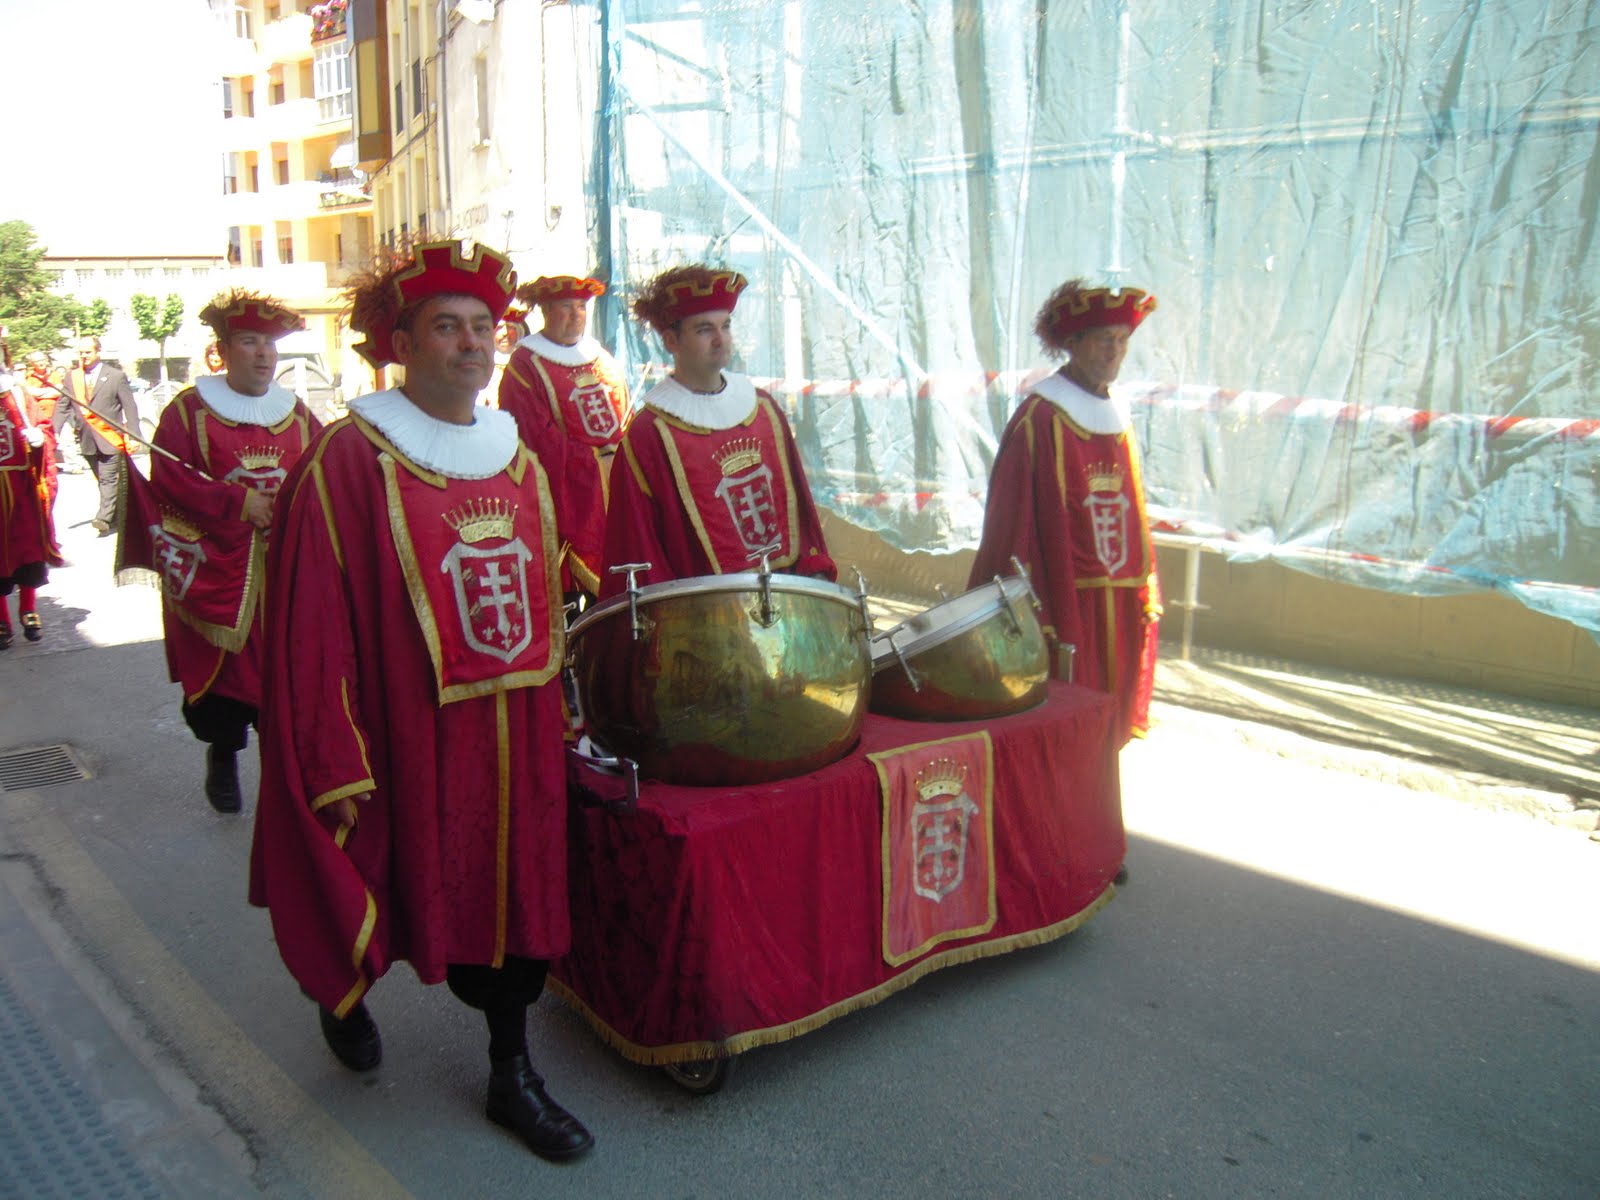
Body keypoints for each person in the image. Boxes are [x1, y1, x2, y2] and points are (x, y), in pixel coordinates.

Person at [247, 239, 592, 1162]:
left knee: (516, 895)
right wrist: (333, 749)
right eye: (447, 326)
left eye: (483, 327)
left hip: (511, 729)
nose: (472, 344)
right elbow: (311, 624)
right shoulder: (346, 460)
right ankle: (339, 991)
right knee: (367, 871)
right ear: (401, 345)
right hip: (396, 729)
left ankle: (512, 1074)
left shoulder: (517, 455)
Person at [967, 279, 1162, 746]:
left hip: (1118, 589)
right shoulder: (1041, 416)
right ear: (1074, 344)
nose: (1114, 352)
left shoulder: (1118, 413)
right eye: (1104, 340)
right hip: (1062, 594)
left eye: (1122, 341)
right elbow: (1012, 520)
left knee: (1108, 724)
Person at [150, 289, 320, 813]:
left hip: (285, 572)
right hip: (221, 572)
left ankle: (282, 778)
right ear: (222, 351)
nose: (264, 354)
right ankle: (223, 756)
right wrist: (237, 503)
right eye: (249, 341)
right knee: (226, 680)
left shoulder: (297, 415)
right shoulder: (188, 413)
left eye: (269, 343)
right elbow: (169, 479)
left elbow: (325, 474)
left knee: (286, 676)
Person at [600, 263, 833, 598]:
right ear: (671, 341)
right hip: (700, 615)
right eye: (704, 330)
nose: (720, 340)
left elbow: (801, 513)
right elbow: (639, 551)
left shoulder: (764, 410)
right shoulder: (648, 435)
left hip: (785, 604)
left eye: (726, 326)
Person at [497, 276, 630, 598]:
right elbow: (535, 438)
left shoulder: (602, 360)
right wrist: (597, 465)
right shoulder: (525, 366)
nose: (576, 315)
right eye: (566, 307)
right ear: (546, 311)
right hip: (567, 500)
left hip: (617, 491)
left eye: (581, 307)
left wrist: (623, 460)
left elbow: (627, 419)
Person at [0, 364, 61, 648]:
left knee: (27, 549)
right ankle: (2, 619)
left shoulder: (19, 393)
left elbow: (44, 428)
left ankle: (28, 609)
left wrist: (38, 441)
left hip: (22, 487)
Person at [61, 336, 139, 536]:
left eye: (88, 352)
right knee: (102, 479)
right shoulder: (72, 377)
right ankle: (119, 516)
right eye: (81, 352)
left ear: (98, 352)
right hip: (87, 439)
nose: (84, 356)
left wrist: (133, 435)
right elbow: (62, 406)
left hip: (110, 437)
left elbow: (129, 406)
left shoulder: (115, 376)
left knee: (108, 478)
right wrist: (52, 431)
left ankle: (103, 518)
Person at [19, 353, 63, 515]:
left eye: (43, 360)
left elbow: (58, 391)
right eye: (37, 361)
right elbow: (30, 392)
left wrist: (39, 393)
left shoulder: (53, 375)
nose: (41, 364)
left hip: (50, 419)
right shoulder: (27, 379)